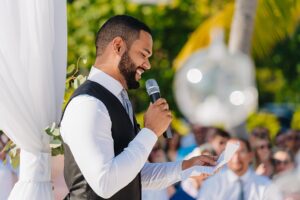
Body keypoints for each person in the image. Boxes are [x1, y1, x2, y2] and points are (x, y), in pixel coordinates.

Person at [60, 15, 216, 200]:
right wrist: (150, 131)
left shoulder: (119, 100)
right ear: (118, 46)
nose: (147, 65)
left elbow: (132, 175)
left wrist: (186, 167)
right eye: (143, 54)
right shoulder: (88, 104)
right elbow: (105, 183)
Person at [197, 138, 282, 200]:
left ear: (250, 156)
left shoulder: (265, 185)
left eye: (241, 152)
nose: (236, 158)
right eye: (231, 153)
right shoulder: (211, 185)